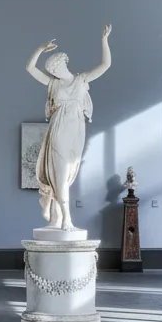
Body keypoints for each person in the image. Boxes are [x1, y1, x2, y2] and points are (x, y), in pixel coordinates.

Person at [24, 24, 113, 230]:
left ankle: (54, 217)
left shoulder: (81, 80)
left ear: (63, 64)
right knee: (61, 172)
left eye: (55, 68)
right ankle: (66, 219)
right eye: (51, 70)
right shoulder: (53, 84)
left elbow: (105, 65)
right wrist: (40, 49)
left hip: (76, 131)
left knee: (65, 174)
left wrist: (104, 40)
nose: (53, 71)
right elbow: (30, 68)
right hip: (59, 129)